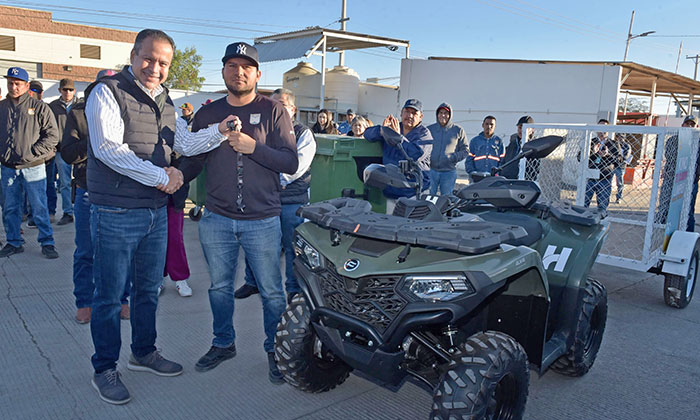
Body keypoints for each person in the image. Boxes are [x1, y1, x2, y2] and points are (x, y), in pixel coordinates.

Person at [85, 29, 235, 405]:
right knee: (108, 297)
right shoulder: (107, 91)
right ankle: (104, 368)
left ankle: (143, 352)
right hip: (116, 211)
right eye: (149, 59)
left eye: (163, 62)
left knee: (148, 291)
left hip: (153, 213)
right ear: (134, 56)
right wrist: (162, 177)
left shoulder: (165, 100)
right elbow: (108, 149)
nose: (155, 68)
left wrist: (218, 130)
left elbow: (184, 143)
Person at [189, 42, 298, 384]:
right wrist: (171, 179)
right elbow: (191, 157)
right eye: (232, 66)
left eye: (246, 66)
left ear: (257, 74)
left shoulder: (274, 111)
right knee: (219, 288)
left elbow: (290, 162)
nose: (239, 72)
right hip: (217, 219)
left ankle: (276, 350)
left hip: (262, 220)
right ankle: (223, 343)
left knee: (271, 291)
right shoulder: (207, 114)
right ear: (223, 71)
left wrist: (255, 148)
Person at [61, 69, 132, 324]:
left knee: (121, 252)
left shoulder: (127, 110)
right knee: (86, 251)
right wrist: (97, 140)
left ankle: (123, 298)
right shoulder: (79, 113)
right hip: (87, 190)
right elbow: (68, 153)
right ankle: (85, 301)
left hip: (120, 191)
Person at [235, 88, 316, 304]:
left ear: (293, 109)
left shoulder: (303, 134)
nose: (276, 109)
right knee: (254, 244)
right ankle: (252, 282)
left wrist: (270, 183)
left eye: (282, 104)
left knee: (292, 248)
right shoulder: (262, 132)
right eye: (273, 105)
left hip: (291, 202)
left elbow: (296, 167)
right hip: (262, 199)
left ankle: (293, 289)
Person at [0, 67, 59, 259]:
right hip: (8, 168)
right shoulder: (2, 108)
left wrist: (33, 153)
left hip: (34, 168)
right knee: (10, 207)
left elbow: (52, 136)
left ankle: (47, 242)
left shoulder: (40, 107)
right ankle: (14, 241)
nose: (13, 87)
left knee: (39, 206)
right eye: (10, 83)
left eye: (17, 83)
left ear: (26, 85)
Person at [364, 99, 433, 212]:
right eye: (406, 111)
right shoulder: (393, 127)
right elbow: (367, 134)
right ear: (401, 113)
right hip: (391, 191)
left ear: (421, 117)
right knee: (391, 226)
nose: (409, 115)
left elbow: (415, 154)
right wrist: (382, 130)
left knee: (411, 226)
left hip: (413, 193)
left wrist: (398, 137)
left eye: (414, 113)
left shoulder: (424, 134)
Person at [49, 78, 78, 225]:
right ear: (59, 90)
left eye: (70, 89)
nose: (68, 92)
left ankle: (82, 210)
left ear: (75, 91)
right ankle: (68, 212)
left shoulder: (81, 105)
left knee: (82, 182)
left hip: (80, 150)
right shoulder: (53, 106)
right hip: (61, 151)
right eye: (65, 89)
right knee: (65, 183)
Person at [427, 102, 467, 195]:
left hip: (448, 172)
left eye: (446, 113)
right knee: (428, 197)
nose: (443, 115)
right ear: (437, 115)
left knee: (446, 199)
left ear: (450, 115)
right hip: (430, 171)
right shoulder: (429, 130)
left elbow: (465, 150)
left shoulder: (458, 130)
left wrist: (452, 158)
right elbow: (423, 147)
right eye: (440, 113)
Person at [583, 119, 620, 212]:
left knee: (602, 207)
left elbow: (619, 161)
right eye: (600, 128)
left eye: (604, 128)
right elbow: (580, 158)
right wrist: (593, 152)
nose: (602, 131)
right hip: (590, 177)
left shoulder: (613, 144)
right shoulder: (590, 142)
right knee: (582, 205)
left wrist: (607, 155)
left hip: (605, 178)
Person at [502, 115, 534, 180]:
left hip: (524, 182)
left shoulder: (534, 146)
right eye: (520, 127)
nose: (522, 130)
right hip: (507, 181)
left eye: (525, 128)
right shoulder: (512, 144)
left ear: (532, 130)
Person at [613, 135, 632, 204]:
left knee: (620, 183)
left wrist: (621, 158)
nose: (620, 138)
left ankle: (619, 197)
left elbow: (626, 156)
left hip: (621, 166)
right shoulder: (614, 144)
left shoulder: (626, 146)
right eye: (619, 136)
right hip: (612, 165)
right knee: (608, 181)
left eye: (621, 137)